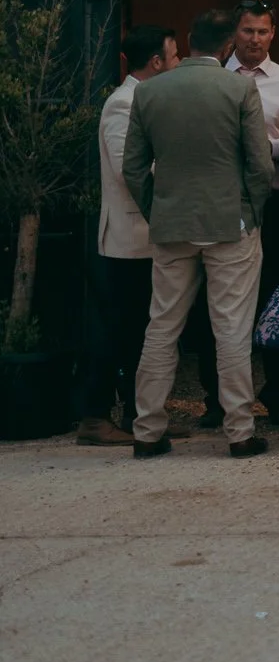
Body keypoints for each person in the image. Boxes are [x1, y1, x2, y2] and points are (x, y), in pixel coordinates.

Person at [124, 10, 275, 459]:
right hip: (230, 223)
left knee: (162, 326)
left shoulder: (149, 92)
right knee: (231, 326)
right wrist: (250, 211)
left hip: (172, 224)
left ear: (188, 41)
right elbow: (261, 163)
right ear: (227, 46)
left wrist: (157, 209)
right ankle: (240, 431)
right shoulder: (238, 87)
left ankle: (147, 429)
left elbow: (133, 167)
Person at [75, 26, 178, 445]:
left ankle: (142, 416)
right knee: (123, 328)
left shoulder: (147, 99)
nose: (176, 63)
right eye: (173, 57)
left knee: (141, 327)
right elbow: (128, 170)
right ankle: (97, 418)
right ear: (155, 62)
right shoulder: (123, 105)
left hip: (145, 236)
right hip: (129, 237)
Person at [227, 0, 279, 412]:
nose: (255, 39)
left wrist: (261, 148)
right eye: (247, 30)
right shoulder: (216, 78)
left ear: (273, 34)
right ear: (234, 33)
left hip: (274, 201)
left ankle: (273, 386)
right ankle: (219, 397)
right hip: (227, 200)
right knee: (225, 296)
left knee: (275, 293)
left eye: (262, 31)